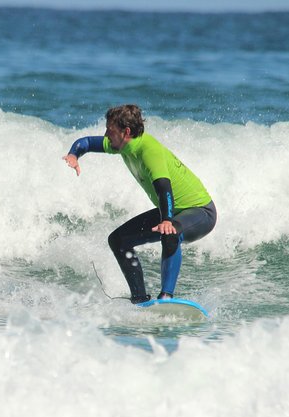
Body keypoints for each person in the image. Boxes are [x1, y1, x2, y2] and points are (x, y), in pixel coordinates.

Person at [62, 104, 216, 304]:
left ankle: (166, 297)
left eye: (110, 130)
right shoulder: (122, 145)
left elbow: (163, 188)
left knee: (170, 233)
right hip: (170, 209)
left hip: (200, 212)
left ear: (126, 132)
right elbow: (87, 142)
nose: (106, 134)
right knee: (118, 240)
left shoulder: (148, 150)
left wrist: (167, 220)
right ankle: (140, 299)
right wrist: (74, 155)